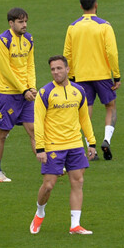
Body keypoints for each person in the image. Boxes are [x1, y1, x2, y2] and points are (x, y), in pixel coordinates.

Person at [30, 55, 98, 235]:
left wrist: (91, 142)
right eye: (53, 69)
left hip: (75, 144)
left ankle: (75, 225)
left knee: (78, 181)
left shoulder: (79, 91)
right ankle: (39, 213)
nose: (56, 72)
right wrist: (41, 148)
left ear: (67, 69)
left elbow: (84, 118)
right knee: (49, 185)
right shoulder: (45, 93)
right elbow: (38, 121)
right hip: (53, 146)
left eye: (59, 68)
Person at [63, 0, 121, 160]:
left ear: (81, 6)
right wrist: (116, 76)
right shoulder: (104, 26)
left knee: (86, 110)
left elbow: (67, 53)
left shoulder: (72, 27)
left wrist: (71, 75)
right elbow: (111, 52)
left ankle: (90, 148)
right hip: (102, 74)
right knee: (110, 106)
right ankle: (106, 139)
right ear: (96, 5)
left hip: (80, 75)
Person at [0, 8, 36, 183]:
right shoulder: (3, 41)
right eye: (20, 22)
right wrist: (23, 89)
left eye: (25, 21)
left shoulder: (29, 39)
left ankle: (49, 166)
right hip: (7, 93)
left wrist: (31, 87)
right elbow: (6, 70)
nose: (24, 25)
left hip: (25, 93)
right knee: (2, 132)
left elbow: (30, 65)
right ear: (11, 23)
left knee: (34, 130)